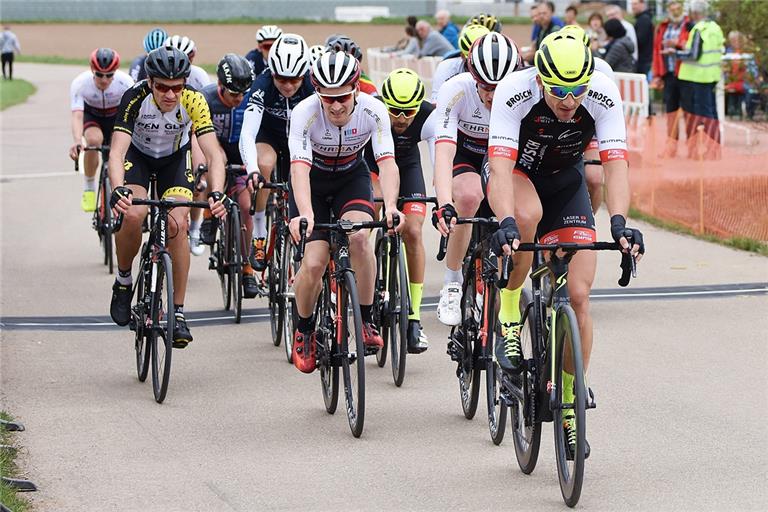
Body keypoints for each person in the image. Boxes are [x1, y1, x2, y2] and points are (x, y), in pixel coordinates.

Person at [485, 31, 644, 457]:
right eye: (558, 90)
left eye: (577, 90)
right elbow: (498, 168)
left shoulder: (604, 94)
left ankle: (571, 401)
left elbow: (616, 167)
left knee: (578, 295)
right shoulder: (514, 92)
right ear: (540, 79)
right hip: (517, 175)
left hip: (564, 181)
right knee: (527, 218)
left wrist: (620, 223)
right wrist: (503, 221)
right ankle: (511, 310)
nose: (569, 99)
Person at [286, 51, 403, 373]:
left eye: (342, 98)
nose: (336, 106)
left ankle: (365, 320)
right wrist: (305, 214)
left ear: (355, 90)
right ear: (317, 94)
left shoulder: (373, 109)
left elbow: (387, 162)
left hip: (352, 178)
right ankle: (304, 329)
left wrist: (391, 205)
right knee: (313, 263)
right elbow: (298, 169)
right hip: (313, 182)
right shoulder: (304, 113)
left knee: (361, 239)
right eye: (327, 99)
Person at [107, 46, 227, 348]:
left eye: (177, 87)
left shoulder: (195, 100)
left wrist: (216, 193)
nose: (171, 94)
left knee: (178, 225)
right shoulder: (134, 97)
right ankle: (123, 281)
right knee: (133, 214)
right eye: (162, 87)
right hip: (139, 156)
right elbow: (117, 152)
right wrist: (118, 188)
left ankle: (179, 312)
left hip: (174, 159)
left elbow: (214, 155)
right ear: (150, 83)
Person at [431, 33, 521, 327]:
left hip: (503, 155)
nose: (492, 95)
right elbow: (443, 152)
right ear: (472, 76)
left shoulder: (523, 91)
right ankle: (453, 281)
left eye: (500, 87)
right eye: (485, 86)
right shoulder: (455, 90)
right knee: (468, 197)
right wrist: (445, 203)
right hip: (465, 154)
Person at [366, 68, 438, 352]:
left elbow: (439, 151)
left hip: (408, 168)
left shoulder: (429, 114)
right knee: (373, 212)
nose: (401, 118)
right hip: (374, 167)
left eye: (409, 111)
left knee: (414, 231)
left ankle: (414, 316)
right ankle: (367, 293)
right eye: (395, 110)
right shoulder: (373, 108)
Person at [239, 34, 315, 273]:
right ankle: (259, 234)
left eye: (295, 80)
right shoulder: (262, 84)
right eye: (281, 79)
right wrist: (251, 170)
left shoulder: (313, 85)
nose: (288, 86)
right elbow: (247, 133)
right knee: (264, 164)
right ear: (272, 73)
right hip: (269, 136)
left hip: (300, 139)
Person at [200, 53, 260, 298]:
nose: (238, 99)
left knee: (246, 207)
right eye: (233, 95)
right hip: (215, 148)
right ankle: (207, 215)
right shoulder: (206, 98)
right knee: (210, 166)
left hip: (241, 151)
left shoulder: (250, 99)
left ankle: (247, 269)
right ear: (220, 86)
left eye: (242, 95)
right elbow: (197, 137)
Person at [68, 48, 134, 212]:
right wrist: (77, 141)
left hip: (115, 117)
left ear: (116, 72)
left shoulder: (126, 83)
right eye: (99, 74)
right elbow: (77, 115)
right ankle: (89, 188)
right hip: (93, 117)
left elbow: (133, 115)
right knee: (93, 140)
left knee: (118, 146)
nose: (104, 80)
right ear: (92, 70)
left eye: (109, 75)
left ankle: (117, 187)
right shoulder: (80, 83)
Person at [669, 0, 724, 159]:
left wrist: (675, 53)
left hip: (699, 78)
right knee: (712, 113)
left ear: (695, 13)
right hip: (711, 76)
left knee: (704, 115)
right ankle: (715, 149)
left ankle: (711, 150)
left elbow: (693, 55)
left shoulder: (700, 29)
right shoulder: (715, 27)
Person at [651, 0, 692, 158]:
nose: (674, 8)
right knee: (671, 112)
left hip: (686, 73)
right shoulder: (663, 26)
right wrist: (657, 74)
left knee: (689, 112)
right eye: (671, 5)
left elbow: (693, 46)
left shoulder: (689, 24)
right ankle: (671, 147)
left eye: (677, 5)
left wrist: (678, 44)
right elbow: (656, 50)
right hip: (668, 74)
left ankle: (692, 147)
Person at [430, 24, 490, 102]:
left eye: (482, 61)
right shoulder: (447, 66)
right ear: (461, 55)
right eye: (473, 61)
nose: (478, 66)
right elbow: (436, 104)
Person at [631, 0, 654, 76]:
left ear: (643, 4)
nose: (633, 7)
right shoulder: (642, 18)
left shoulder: (644, 19)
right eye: (632, 4)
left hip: (643, 60)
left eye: (635, 4)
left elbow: (639, 40)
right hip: (644, 59)